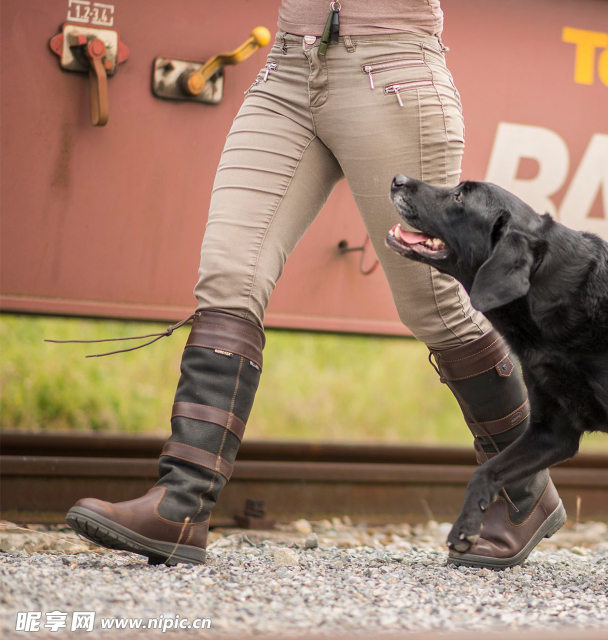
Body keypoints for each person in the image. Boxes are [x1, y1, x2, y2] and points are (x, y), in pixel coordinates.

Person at [64, 0, 565, 569]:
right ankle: (180, 506)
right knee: (230, 274)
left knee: (434, 306)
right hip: (288, 71)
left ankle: (525, 489)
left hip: (390, 74)